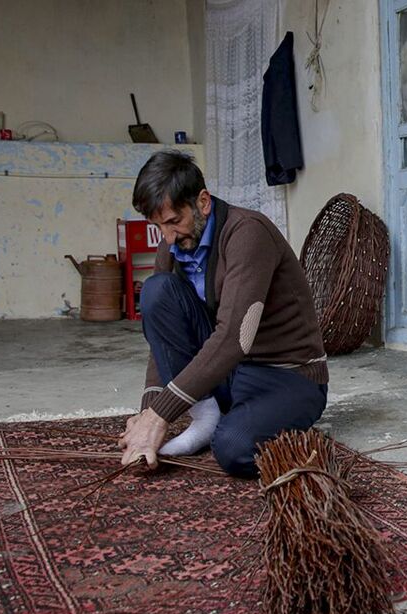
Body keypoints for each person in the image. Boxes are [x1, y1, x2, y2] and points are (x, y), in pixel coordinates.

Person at [118, 150, 328, 477]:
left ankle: (256, 420)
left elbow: (234, 338)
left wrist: (160, 416)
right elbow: (162, 339)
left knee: (233, 449)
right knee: (157, 291)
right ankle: (209, 415)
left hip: (286, 376)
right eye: (159, 226)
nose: (168, 237)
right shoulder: (172, 244)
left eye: (174, 221)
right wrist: (148, 411)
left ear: (203, 202)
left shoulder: (248, 232)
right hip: (227, 374)